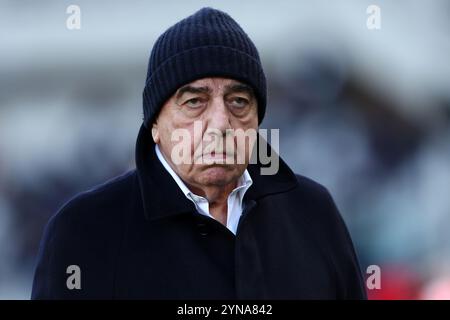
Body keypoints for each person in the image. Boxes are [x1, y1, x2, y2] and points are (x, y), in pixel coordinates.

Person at [31, 7, 366, 299]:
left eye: (238, 101)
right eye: (194, 102)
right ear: (155, 126)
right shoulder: (85, 231)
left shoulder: (314, 215)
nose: (220, 123)